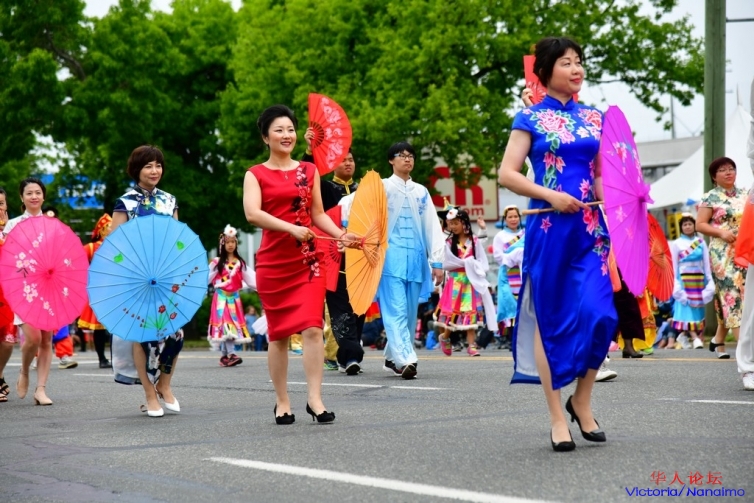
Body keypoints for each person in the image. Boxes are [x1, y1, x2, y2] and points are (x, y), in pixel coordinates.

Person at [498, 37, 618, 452]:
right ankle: (556, 417)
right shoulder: (529, 117)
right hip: (550, 230)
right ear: (546, 71)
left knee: (601, 314)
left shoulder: (595, 118)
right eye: (566, 62)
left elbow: (600, 174)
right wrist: (552, 195)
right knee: (550, 320)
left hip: (590, 230)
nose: (576, 68)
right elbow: (507, 174)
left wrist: (617, 203)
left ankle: (581, 399)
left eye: (579, 61)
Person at [243, 104, 358, 424]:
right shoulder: (255, 174)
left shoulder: (309, 171)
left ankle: (315, 399)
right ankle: (282, 401)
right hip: (273, 264)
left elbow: (318, 214)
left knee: (312, 328)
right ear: (265, 137)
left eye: (290, 129)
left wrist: (342, 235)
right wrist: (291, 228)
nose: (286, 135)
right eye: (278, 130)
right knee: (278, 335)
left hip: (307, 262)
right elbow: (252, 214)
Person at [340, 142, 445, 379]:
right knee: (395, 310)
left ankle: (391, 358)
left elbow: (432, 226)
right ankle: (406, 359)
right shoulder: (382, 187)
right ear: (391, 160)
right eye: (401, 155)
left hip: (416, 260)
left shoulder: (421, 191)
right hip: (389, 259)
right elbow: (348, 203)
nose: (407, 159)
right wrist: (346, 227)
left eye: (411, 156)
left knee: (409, 314)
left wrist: (437, 262)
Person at [110, 145, 182, 418]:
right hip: (137, 278)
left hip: (166, 276)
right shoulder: (126, 202)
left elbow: (177, 239)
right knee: (142, 336)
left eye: (158, 165)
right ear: (137, 170)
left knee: (176, 333)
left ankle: (164, 384)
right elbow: (115, 245)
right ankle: (149, 394)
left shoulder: (169, 201)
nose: (154, 171)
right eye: (148, 166)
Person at [303, 135, 366, 375]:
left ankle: (346, 354)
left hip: (359, 258)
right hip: (334, 258)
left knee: (359, 307)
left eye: (351, 160)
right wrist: (310, 151)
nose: (348, 163)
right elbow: (308, 179)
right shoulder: (327, 188)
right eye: (343, 160)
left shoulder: (364, 190)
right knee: (339, 308)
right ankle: (349, 355)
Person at [1, 178, 57, 405]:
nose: (34, 196)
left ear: (43, 196)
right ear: (22, 198)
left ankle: (41, 389)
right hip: (23, 288)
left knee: (46, 339)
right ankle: (24, 370)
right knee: (33, 338)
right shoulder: (12, 225)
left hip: (48, 286)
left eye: (38, 193)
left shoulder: (53, 225)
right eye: (29, 193)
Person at [696, 157, 748, 359]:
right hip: (722, 254)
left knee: (740, 296)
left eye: (731, 168)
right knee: (731, 294)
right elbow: (700, 224)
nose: (728, 172)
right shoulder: (710, 197)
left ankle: (718, 339)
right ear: (714, 176)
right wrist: (721, 233)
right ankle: (746, 351)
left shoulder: (746, 194)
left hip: (745, 250)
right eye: (722, 170)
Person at [434, 208, 495, 357]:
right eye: (450, 224)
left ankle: (471, 345)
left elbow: (481, 257)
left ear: (464, 223)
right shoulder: (448, 242)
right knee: (453, 314)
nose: (453, 226)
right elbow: (446, 262)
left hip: (471, 281)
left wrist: (474, 266)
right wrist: (466, 263)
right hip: (455, 282)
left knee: (470, 312)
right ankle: (445, 337)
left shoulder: (474, 241)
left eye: (456, 223)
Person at [207, 224, 256, 367]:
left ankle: (225, 356)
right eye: (227, 242)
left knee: (230, 326)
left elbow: (252, 279)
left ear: (236, 243)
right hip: (221, 298)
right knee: (226, 325)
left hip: (234, 298)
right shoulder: (217, 262)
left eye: (233, 242)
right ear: (222, 244)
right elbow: (205, 278)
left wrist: (266, 287)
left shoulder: (240, 263)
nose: (230, 245)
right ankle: (232, 353)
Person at [669, 214, 715, 349]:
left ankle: (683, 335)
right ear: (681, 227)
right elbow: (674, 265)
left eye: (690, 224)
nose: (688, 227)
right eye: (685, 224)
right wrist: (675, 283)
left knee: (696, 309)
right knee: (687, 306)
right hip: (683, 279)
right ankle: (695, 338)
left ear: (694, 226)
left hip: (698, 279)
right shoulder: (677, 244)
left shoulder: (701, 242)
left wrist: (709, 280)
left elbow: (706, 263)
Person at [78, 214, 114, 368]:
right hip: (99, 291)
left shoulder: (119, 247)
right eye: (109, 226)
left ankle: (117, 359)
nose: (112, 229)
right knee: (99, 328)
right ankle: (102, 359)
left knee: (116, 328)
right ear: (101, 229)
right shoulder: (92, 247)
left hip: (116, 291)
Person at [493, 205, 525, 349]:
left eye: (515, 216)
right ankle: (511, 339)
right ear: (505, 219)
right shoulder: (500, 236)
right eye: (510, 217)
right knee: (510, 304)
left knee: (522, 305)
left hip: (522, 273)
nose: (513, 219)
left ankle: (521, 340)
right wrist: (515, 255)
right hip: (507, 274)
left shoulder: (526, 234)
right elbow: (498, 257)